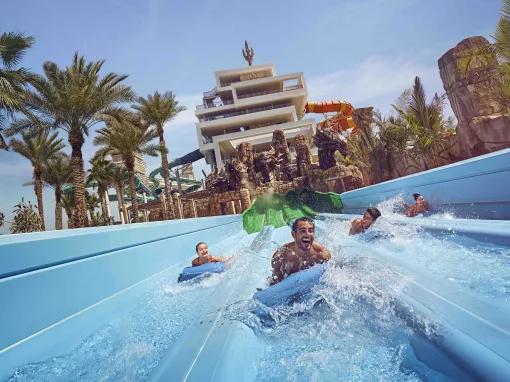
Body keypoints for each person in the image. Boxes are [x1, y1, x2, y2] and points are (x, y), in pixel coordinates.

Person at [270, 217, 331, 285]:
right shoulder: (282, 255)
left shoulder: (320, 252)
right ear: (294, 235)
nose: (307, 234)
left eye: (310, 231)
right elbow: (275, 282)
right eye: (302, 231)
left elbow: (331, 271)